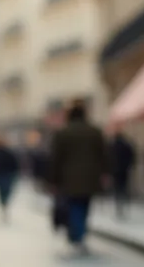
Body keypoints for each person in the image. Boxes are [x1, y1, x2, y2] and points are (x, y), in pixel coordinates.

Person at [47, 100, 108, 251]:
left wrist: (53, 180)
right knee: (84, 205)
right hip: (90, 177)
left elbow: (56, 158)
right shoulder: (95, 131)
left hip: (69, 179)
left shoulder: (63, 133)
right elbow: (104, 155)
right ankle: (79, 234)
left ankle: (77, 236)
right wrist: (105, 174)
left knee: (74, 206)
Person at [0, 136, 20, 223]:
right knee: (6, 191)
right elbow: (15, 165)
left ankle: (3, 204)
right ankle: (4, 204)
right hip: (6, 175)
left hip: (1, 175)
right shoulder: (7, 153)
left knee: (2, 191)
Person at [110, 131, 136, 218]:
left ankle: (119, 205)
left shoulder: (113, 146)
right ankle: (123, 203)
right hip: (124, 170)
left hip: (116, 170)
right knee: (123, 187)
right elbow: (132, 156)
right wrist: (129, 165)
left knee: (117, 188)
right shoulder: (126, 145)